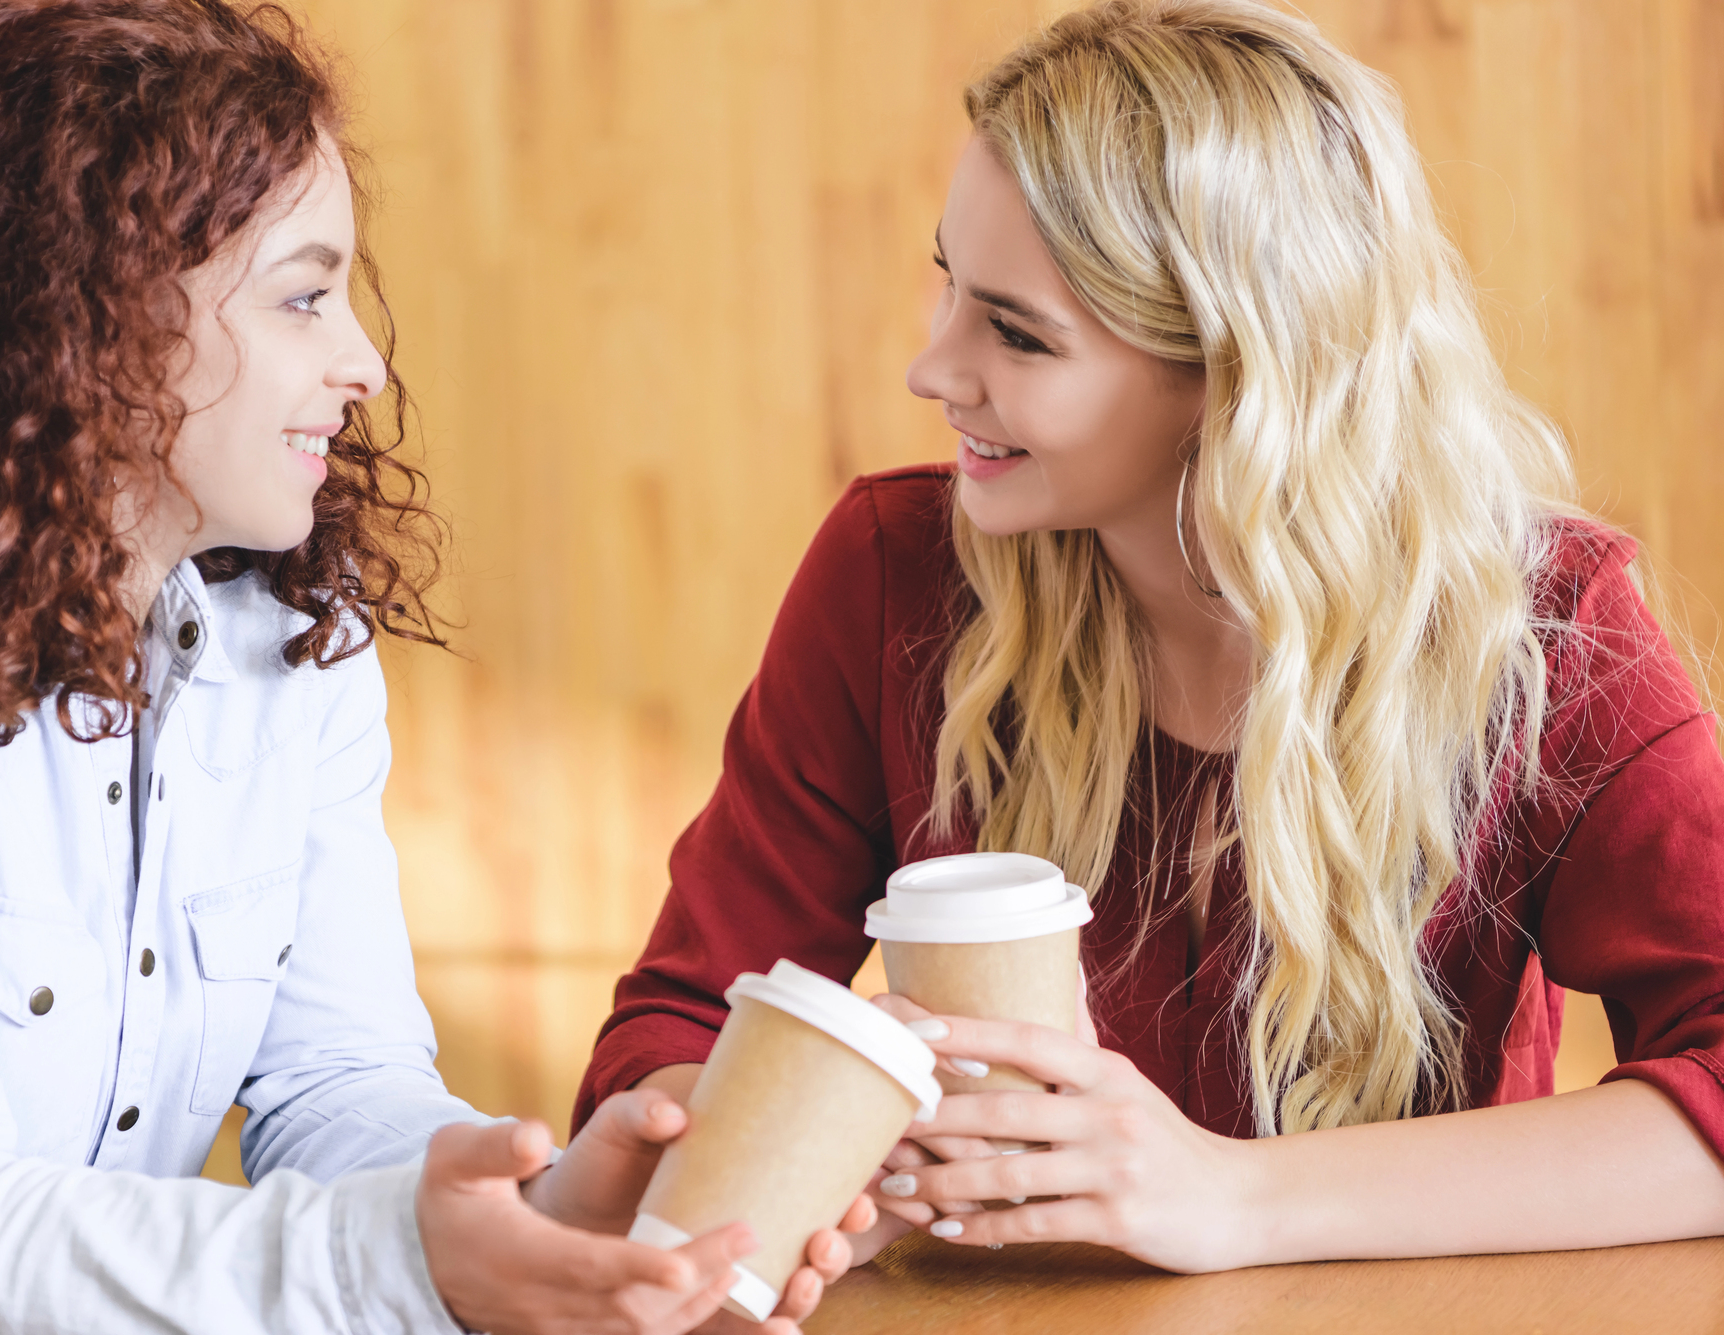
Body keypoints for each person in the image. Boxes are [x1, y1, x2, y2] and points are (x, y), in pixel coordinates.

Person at [0, 2, 864, 1331]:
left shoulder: (296, 649)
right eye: (303, 296)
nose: (362, 362)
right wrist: (402, 1257)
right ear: (87, 312)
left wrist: (550, 1221)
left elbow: (340, 1082)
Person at [575, 0, 1724, 1274]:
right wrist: (834, 1151)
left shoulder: (1546, 631)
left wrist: (1231, 1199)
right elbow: (666, 1039)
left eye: (1016, 332)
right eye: (949, 280)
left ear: (1239, 382)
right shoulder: (889, 577)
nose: (930, 367)